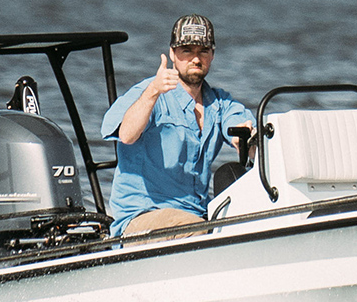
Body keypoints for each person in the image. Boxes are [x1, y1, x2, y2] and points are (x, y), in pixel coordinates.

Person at [100, 14, 253, 237]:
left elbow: (243, 128)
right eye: (187, 51)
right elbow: (126, 135)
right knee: (200, 231)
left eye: (203, 51)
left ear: (212, 55)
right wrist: (153, 92)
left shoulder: (220, 102)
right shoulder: (150, 92)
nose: (196, 58)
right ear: (172, 53)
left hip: (197, 214)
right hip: (142, 217)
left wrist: (248, 141)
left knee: (257, 217)